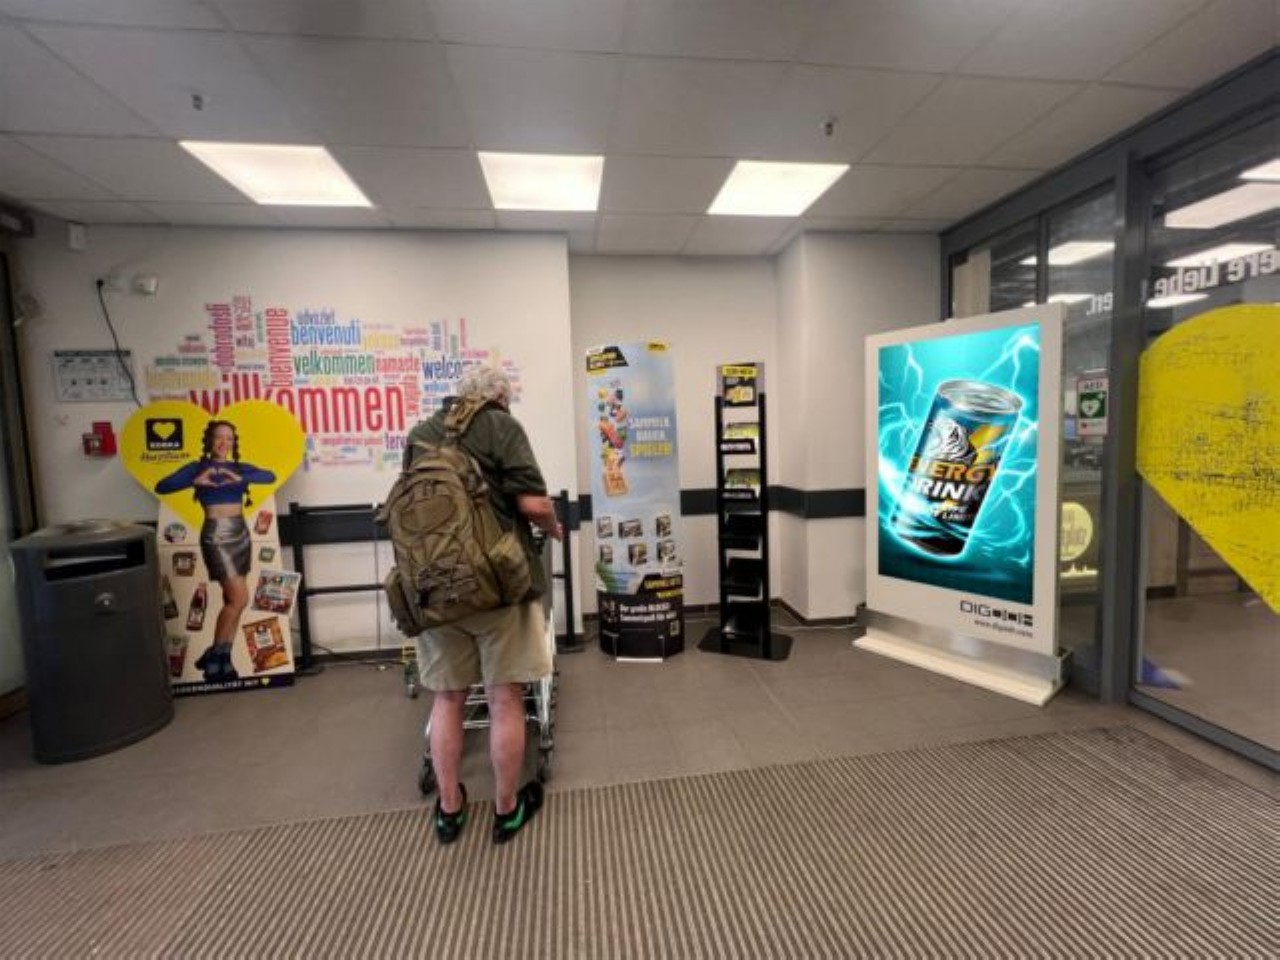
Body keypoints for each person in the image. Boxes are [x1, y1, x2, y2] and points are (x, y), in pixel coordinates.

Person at [403, 366, 563, 846]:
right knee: (504, 698)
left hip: (436, 587)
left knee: (448, 698)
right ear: (500, 397)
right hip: (498, 586)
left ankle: (450, 809)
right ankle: (507, 810)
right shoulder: (500, 425)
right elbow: (534, 506)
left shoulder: (422, 432)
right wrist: (553, 527)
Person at [155, 420, 275, 683]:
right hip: (216, 535)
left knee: (233, 600)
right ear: (209, 440)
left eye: (229, 438)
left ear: (234, 442)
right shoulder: (196, 468)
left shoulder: (238, 468)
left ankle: (223, 659)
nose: (224, 443)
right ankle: (214, 655)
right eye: (219, 437)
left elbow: (270, 476)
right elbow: (162, 486)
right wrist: (196, 480)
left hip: (240, 533)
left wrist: (240, 478)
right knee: (239, 599)